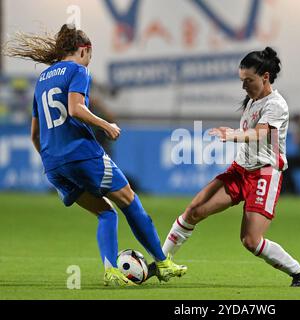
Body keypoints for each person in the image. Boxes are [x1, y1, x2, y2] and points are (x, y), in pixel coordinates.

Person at [2, 24, 187, 286]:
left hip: (54, 165)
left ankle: (111, 271)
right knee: (130, 201)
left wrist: (49, 160)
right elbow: (76, 109)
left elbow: (35, 134)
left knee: (105, 213)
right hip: (83, 155)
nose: (90, 59)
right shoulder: (79, 70)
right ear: (84, 50)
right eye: (91, 54)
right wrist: (106, 125)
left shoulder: (42, 81)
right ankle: (163, 262)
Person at [148, 47, 300, 287]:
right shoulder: (252, 101)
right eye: (241, 81)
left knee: (251, 240)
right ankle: (162, 262)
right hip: (240, 170)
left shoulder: (276, 104)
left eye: (249, 80)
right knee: (194, 209)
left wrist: (233, 135)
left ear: (265, 77)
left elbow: (260, 133)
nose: (244, 86)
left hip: (264, 174)